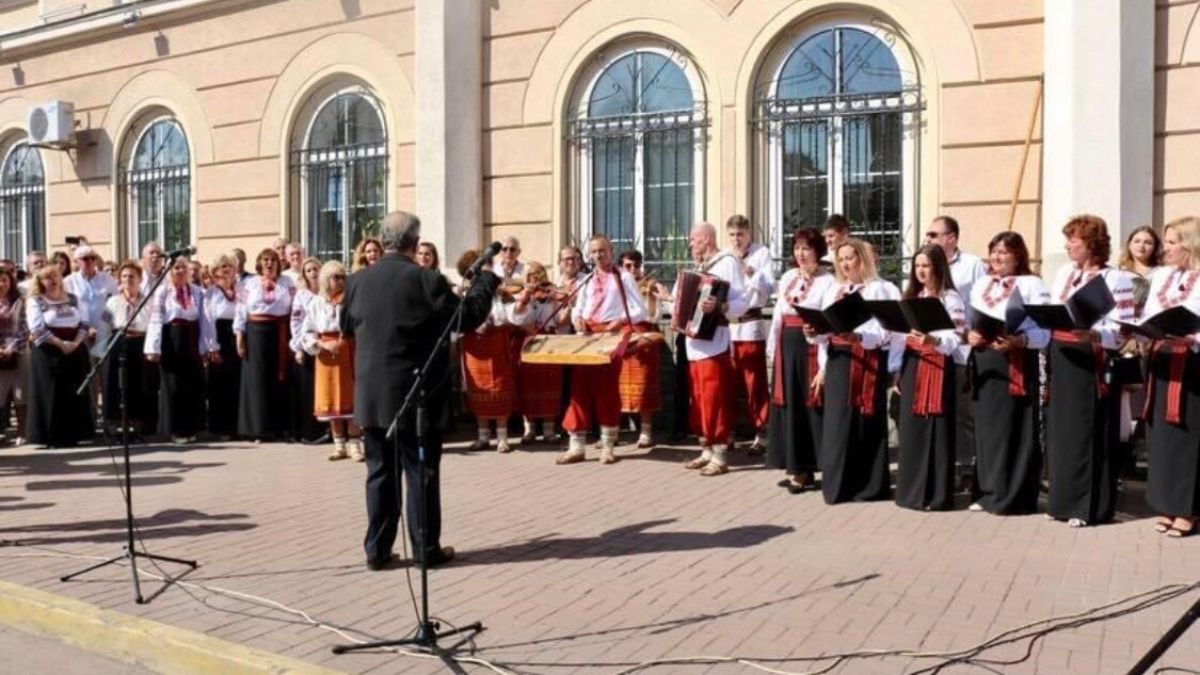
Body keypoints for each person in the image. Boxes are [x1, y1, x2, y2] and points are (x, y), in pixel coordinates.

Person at [340, 211, 500, 570]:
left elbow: (346, 326)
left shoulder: (358, 280)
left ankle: (377, 551)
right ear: (415, 242)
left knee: (380, 473)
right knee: (420, 473)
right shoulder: (425, 279)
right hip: (416, 395)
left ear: (383, 241)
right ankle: (425, 550)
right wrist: (486, 280)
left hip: (373, 395)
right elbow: (466, 318)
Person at [1043, 215, 1133, 527]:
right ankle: (1062, 501)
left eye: (1074, 240)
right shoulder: (1064, 273)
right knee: (1062, 431)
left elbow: (1123, 329)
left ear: (1092, 244)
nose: (1067, 245)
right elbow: (1057, 310)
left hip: (1091, 358)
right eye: (1067, 239)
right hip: (1063, 354)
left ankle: (1086, 506)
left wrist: (1096, 335)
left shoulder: (1116, 279)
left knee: (1087, 431)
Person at [967, 232, 1049, 515]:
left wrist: (1021, 341)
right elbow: (971, 318)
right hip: (985, 360)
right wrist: (972, 334)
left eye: (1004, 252)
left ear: (1018, 256)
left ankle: (1013, 495)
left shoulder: (1032, 283)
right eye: (994, 251)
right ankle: (987, 491)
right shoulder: (982, 283)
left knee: (1012, 428)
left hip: (1014, 361)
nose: (997, 257)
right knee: (988, 430)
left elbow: (1044, 329)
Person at [808, 238, 892, 502]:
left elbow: (889, 329)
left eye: (850, 258)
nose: (845, 264)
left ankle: (869, 486)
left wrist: (863, 338)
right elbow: (825, 328)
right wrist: (814, 332)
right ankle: (838, 485)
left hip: (867, 360)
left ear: (862, 259)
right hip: (839, 360)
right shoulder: (834, 289)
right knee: (838, 423)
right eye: (841, 259)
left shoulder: (881, 289)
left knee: (865, 420)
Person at [558, 235, 649, 465]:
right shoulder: (587, 278)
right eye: (594, 251)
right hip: (586, 337)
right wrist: (578, 319)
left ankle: (608, 446)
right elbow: (579, 308)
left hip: (610, 336)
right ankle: (576, 446)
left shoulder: (624, 278)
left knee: (606, 389)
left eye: (603, 251)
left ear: (611, 251)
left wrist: (619, 321)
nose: (598, 255)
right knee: (579, 389)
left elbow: (640, 311)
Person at [894, 245, 966, 511]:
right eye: (917, 266)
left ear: (938, 267)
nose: (921, 271)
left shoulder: (951, 299)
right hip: (913, 364)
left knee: (936, 426)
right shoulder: (913, 296)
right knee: (913, 427)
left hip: (938, 364)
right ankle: (911, 492)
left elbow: (958, 337)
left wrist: (933, 339)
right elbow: (900, 337)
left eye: (926, 265)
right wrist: (898, 371)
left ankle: (935, 494)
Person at [1141, 216, 1200, 538]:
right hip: (1162, 357)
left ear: (1190, 244)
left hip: (1192, 365)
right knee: (1162, 434)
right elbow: (1151, 311)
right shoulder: (1161, 276)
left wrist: (1192, 338)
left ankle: (1189, 509)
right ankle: (1166, 502)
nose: (1166, 249)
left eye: (1173, 242)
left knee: (1187, 437)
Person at [766, 229, 833, 493]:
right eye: (796, 248)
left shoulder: (828, 281)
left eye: (806, 248)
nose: (800, 254)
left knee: (809, 406)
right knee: (788, 406)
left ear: (817, 251)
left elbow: (826, 320)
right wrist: (772, 348)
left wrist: (824, 365)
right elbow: (778, 316)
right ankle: (793, 465)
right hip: (787, 345)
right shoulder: (788, 277)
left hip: (811, 346)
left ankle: (807, 469)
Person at [679, 222, 748, 476]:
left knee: (714, 399)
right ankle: (706, 448)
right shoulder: (699, 267)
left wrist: (719, 307)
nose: (690, 245)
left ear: (706, 239)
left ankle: (720, 455)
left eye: (693, 240)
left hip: (714, 342)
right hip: (694, 344)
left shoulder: (727, 263)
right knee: (698, 400)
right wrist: (667, 297)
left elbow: (742, 300)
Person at [926, 215, 988, 492]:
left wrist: (975, 334)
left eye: (933, 234)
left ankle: (967, 466)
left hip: (963, 347)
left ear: (951, 238)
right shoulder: (928, 264)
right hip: (933, 348)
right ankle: (944, 464)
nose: (928, 239)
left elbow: (982, 303)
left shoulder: (972, 265)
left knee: (964, 411)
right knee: (942, 408)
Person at [145, 256, 217, 445]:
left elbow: (205, 320)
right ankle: (175, 429)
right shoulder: (162, 291)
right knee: (173, 386)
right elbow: (156, 318)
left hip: (191, 338)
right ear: (169, 271)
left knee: (192, 385)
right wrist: (154, 346)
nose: (180, 271)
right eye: (176, 268)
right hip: (172, 339)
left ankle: (191, 427)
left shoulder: (197, 292)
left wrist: (208, 345)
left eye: (184, 268)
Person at [26, 266, 93, 447]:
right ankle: (50, 436)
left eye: (55, 276)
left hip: (75, 349)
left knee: (74, 391)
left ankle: (74, 434)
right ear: (40, 281)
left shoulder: (73, 299)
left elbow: (84, 323)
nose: (52, 280)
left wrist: (75, 343)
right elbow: (37, 329)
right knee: (51, 393)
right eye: (47, 277)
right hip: (49, 352)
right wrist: (61, 344)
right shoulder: (36, 301)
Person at [461, 251, 521, 453]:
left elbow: (512, 314)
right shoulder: (465, 292)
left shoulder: (499, 291)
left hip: (497, 343)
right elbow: (462, 319)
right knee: (478, 389)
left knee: (500, 388)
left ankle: (503, 438)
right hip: (475, 347)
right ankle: (483, 436)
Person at [300, 260, 361, 461]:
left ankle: (355, 445)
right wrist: (323, 345)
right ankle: (339, 445)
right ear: (326, 280)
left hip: (349, 351)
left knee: (351, 397)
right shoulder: (316, 303)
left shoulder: (350, 302)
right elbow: (306, 333)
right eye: (336, 277)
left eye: (343, 277)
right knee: (332, 399)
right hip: (327, 354)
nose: (341, 281)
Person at [725, 215, 775, 453]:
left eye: (741, 234)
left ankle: (762, 432)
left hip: (751, 324)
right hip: (728, 328)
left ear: (749, 234)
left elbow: (768, 287)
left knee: (755, 383)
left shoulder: (761, 254)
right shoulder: (725, 255)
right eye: (733, 235)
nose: (737, 239)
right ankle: (729, 431)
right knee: (730, 383)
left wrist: (747, 270)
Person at [234, 248, 295, 442]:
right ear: (260, 263)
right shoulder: (249, 284)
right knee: (258, 380)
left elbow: (295, 307)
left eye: (273, 260)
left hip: (280, 332)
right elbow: (240, 310)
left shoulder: (287, 282)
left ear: (278, 263)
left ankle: (279, 427)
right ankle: (258, 429)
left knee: (279, 379)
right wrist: (239, 337)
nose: (269, 264)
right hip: (256, 334)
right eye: (265, 260)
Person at [617, 250, 667, 448]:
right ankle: (616, 430)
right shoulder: (617, 287)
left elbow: (655, 317)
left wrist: (651, 299)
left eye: (636, 266)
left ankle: (646, 431)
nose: (632, 270)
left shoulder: (649, 286)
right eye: (628, 266)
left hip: (644, 338)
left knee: (645, 385)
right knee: (617, 385)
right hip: (622, 337)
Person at [100, 262, 155, 437]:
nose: (128, 279)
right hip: (119, 341)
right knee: (116, 384)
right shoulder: (113, 301)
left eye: (132, 276)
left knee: (140, 384)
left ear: (139, 279)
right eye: (124, 276)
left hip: (141, 342)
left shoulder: (148, 300)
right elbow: (103, 324)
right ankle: (115, 423)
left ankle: (139, 423)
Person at [204, 255, 241, 439]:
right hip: (220, 337)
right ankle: (220, 428)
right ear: (215, 271)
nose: (226, 270)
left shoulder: (241, 290)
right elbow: (208, 321)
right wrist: (212, 346)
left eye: (229, 266)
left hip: (238, 338)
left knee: (237, 383)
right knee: (219, 385)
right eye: (222, 266)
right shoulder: (211, 293)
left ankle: (237, 426)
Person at [289, 256, 324, 443]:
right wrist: (298, 348)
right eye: (309, 270)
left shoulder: (325, 292)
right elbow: (295, 322)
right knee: (307, 390)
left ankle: (324, 429)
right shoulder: (301, 295)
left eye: (315, 269)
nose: (313, 273)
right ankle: (308, 432)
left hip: (323, 345)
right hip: (306, 345)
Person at [0, 267, 27, 444]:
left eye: (5, 280)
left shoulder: (20, 301)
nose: (1, 284)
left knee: (20, 394)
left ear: (11, 282)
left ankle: (21, 433)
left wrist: (12, 347)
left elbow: (26, 328)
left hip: (19, 351)